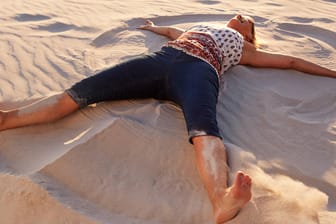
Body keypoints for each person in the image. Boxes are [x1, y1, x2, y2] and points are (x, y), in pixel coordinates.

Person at [0, 14, 335, 223]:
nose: (239, 15)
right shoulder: (202, 27)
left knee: (205, 129)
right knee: (80, 93)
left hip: (199, 72)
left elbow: (291, 62)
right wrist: (153, 27)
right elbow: (173, 32)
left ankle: (220, 198)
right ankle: (7, 120)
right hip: (162, 59)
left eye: (246, 19)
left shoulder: (244, 49)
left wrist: (332, 72)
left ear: (248, 35)